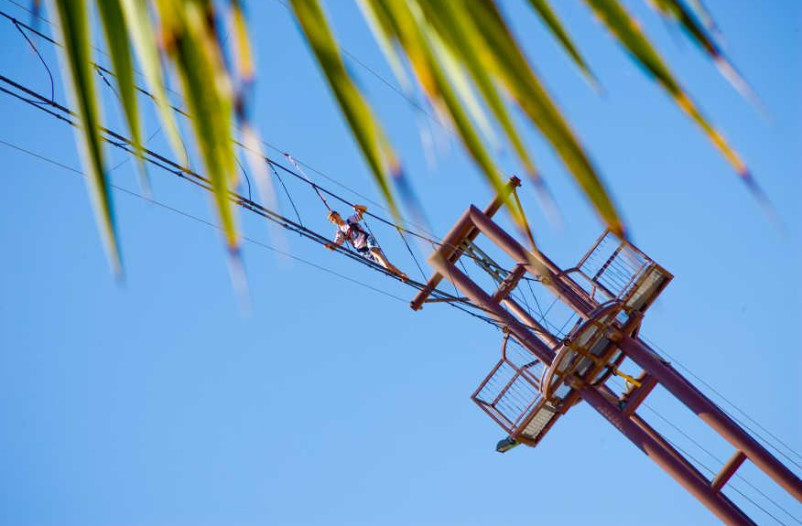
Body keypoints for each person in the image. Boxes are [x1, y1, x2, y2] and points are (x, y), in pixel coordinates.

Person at [324, 204, 408, 281]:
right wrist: (329, 246)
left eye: (335, 216)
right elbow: (336, 245)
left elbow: (364, 210)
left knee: (375, 252)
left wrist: (358, 207)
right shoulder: (340, 232)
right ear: (332, 222)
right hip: (362, 249)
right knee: (385, 265)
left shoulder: (350, 220)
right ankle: (402, 275)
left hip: (367, 239)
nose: (335, 219)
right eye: (332, 219)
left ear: (338, 215)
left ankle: (400, 274)